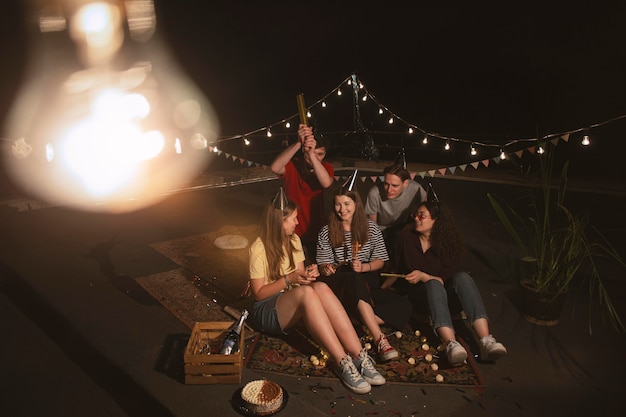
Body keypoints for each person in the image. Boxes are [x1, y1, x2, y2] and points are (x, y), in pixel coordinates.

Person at [248, 188, 385, 394]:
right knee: (307, 293)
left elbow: (300, 276)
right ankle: (341, 362)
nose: (297, 223)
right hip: (266, 308)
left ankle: (359, 356)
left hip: (291, 296)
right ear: (279, 222)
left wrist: (309, 275)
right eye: (293, 219)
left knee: (319, 286)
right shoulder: (258, 248)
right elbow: (258, 293)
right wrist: (288, 279)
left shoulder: (294, 239)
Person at [386, 200, 507, 366]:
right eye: (416, 215)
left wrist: (423, 275)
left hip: (446, 298)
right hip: (421, 299)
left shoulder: (446, 243)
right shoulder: (406, 239)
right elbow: (394, 269)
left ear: (436, 221)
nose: (417, 219)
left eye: (422, 215)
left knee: (462, 277)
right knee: (433, 285)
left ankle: (486, 340)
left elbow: (446, 278)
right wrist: (382, 288)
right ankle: (451, 343)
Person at [316, 172, 412, 362]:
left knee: (404, 306)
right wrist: (326, 267)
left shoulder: (371, 228)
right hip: (340, 283)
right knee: (353, 278)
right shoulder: (327, 231)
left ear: (356, 205)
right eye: (338, 204)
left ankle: (350, 318)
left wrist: (365, 267)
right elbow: (322, 264)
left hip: (366, 281)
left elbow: (381, 260)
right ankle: (380, 340)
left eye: (346, 204)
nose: (342, 209)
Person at [270, 124, 334, 258]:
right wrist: (299, 143)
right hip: (290, 229)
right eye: (310, 152)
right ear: (303, 151)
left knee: (315, 268)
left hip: (315, 228)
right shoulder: (293, 164)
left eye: (320, 154)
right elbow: (275, 168)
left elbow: (326, 182)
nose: (314, 158)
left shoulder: (326, 168)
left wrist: (312, 154)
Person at [365, 157, 426, 250]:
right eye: (386, 184)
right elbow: (372, 224)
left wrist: (410, 226)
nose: (389, 190)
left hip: (404, 227)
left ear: (405, 183)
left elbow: (427, 210)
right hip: (380, 230)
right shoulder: (374, 193)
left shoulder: (416, 189)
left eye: (395, 185)